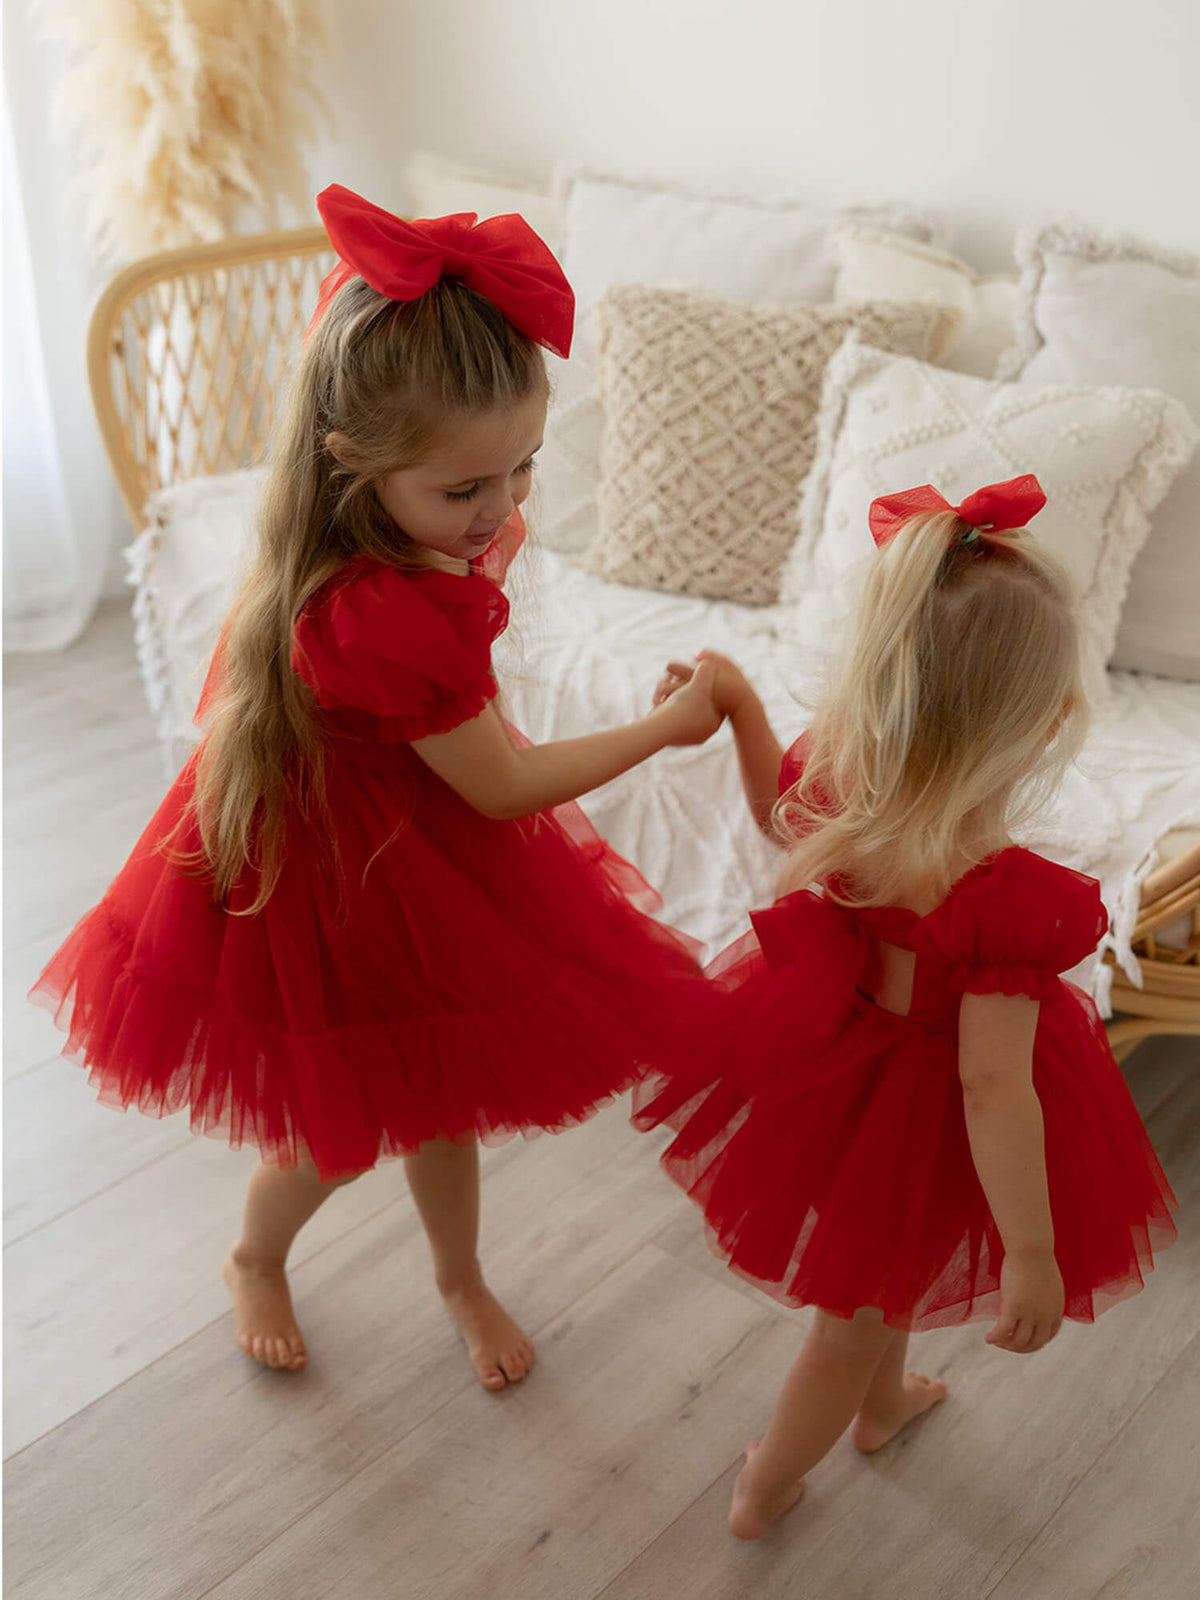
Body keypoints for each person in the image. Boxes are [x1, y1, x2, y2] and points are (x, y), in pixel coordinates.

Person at [33, 185, 721, 1391]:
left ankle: (458, 1273)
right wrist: (662, 728)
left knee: (442, 1090)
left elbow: (467, 728)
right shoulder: (377, 612)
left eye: (520, 471)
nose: (501, 509)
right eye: (467, 489)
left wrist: (467, 547)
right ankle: (255, 1252)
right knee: (344, 1123)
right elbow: (503, 784)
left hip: (411, 844)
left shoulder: (392, 541)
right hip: (338, 879)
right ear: (355, 461)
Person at [639, 477, 1177, 1538]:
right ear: (1042, 720)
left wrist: (744, 706)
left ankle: (881, 1407)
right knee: (849, 1321)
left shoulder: (843, 785)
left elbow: (773, 812)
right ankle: (764, 1485)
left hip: (839, 1069)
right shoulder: (997, 893)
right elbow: (992, 1084)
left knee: (879, 1275)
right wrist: (1031, 1248)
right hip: (919, 1116)